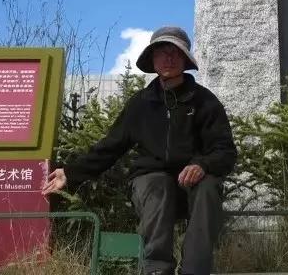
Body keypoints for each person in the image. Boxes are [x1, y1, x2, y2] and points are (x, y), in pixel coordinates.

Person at [42, 26, 237, 275]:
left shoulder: (205, 102)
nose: (168, 58)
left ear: (185, 59)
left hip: (194, 185)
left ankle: (195, 270)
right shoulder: (140, 104)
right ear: (153, 59)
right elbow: (110, 146)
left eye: (175, 52)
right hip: (151, 183)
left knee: (208, 187)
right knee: (157, 184)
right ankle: (156, 268)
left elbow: (225, 151)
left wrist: (202, 165)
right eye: (162, 52)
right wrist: (70, 173)